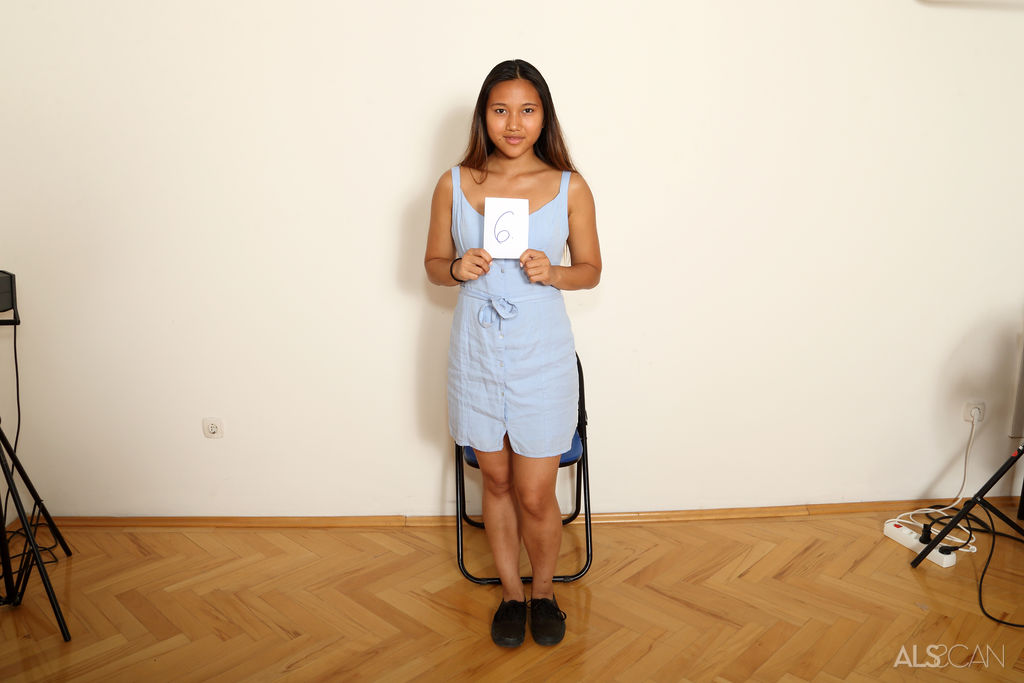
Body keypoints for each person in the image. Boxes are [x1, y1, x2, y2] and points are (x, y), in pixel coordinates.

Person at [424, 59, 601, 647]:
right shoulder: (454, 183)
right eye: (501, 110)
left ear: (544, 116)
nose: (514, 123)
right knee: (495, 484)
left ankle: (543, 592)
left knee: (534, 491)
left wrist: (555, 272)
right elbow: (432, 265)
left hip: (541, 354)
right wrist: (456, 267)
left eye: (527, 110)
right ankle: (509, 594)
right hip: (475, 352)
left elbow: (591, 270)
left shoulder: (570, 186)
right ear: (484, 116)